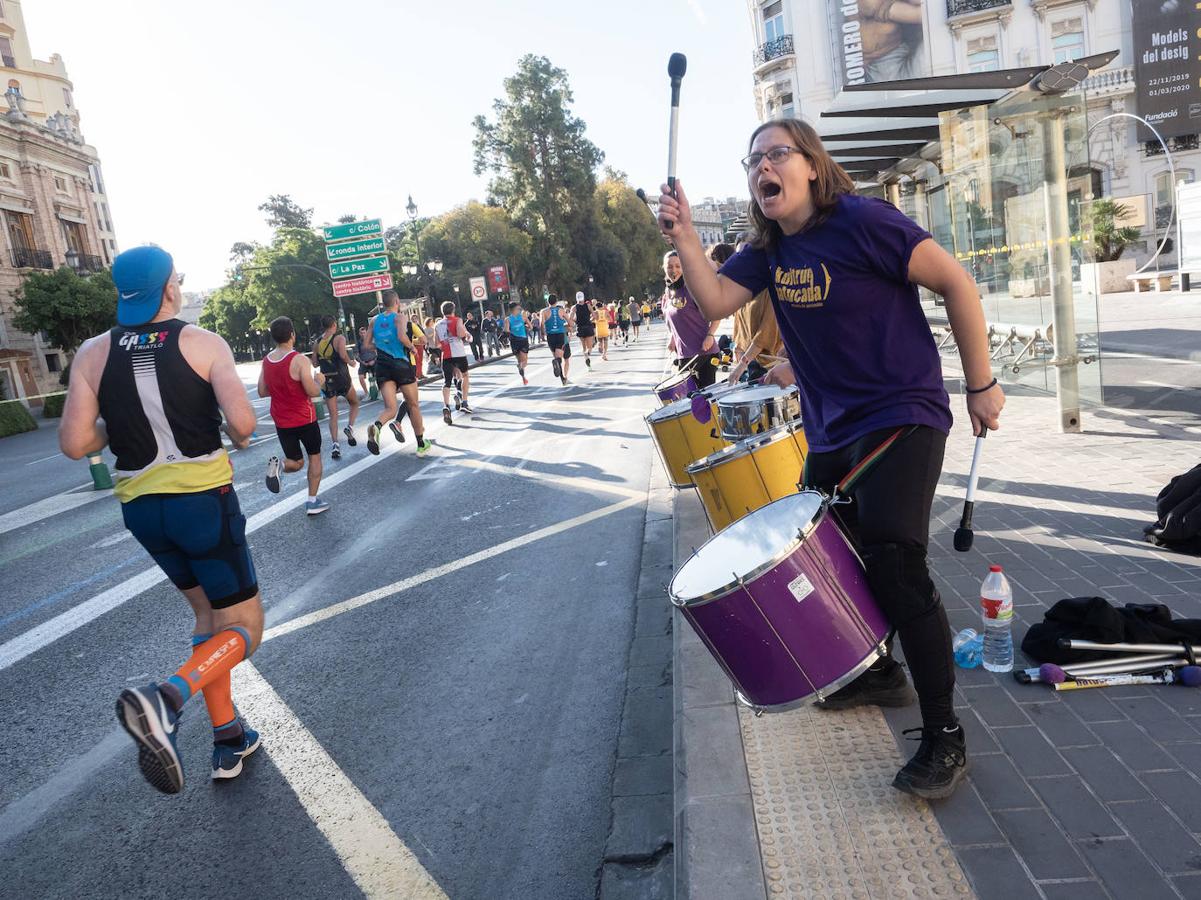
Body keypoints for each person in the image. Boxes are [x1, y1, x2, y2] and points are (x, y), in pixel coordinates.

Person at [657, 117, 1006, 801]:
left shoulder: (863, 222)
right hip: (831, 429)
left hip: (901, 414)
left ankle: (945, 736)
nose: (763, 167)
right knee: (825, 556)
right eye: (752, 159)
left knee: (895, 563)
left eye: (776, 154)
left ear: (811, 165)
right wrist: (685, 238)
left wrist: (981, 381)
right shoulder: (770, 250)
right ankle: (878, 671)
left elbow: (956, 284)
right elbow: (717, 300)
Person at [59, 245, 262, 792]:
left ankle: (229, 738)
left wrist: (115, 427)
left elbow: (77, 442)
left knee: (207, 618)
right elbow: (242, 426)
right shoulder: (204, 343)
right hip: (202, 502)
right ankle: (166, 698)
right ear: (170, 289)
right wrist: (229, 431)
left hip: (142, 512)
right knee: (244, 628)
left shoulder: (92, 353)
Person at [258, 317, 329, 514]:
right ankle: (312, 502)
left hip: (281, 420)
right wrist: (320, 381)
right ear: (292, 335)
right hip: (304, 418)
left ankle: (280, 465)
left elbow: (262, 391)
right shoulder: (299, 360)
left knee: (296, 462)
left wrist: (281, 387)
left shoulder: (267, 361)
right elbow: (312, 391)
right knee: (314, 457)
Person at [363, 290, 432, 456]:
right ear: (397, 301)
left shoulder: (374, 320)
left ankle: (377, 426)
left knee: (391, 408)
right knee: (413, 404)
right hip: (401, 364)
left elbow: (366, 344)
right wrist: (412, 347)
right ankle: (421, 444)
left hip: (382, 366)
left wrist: (381, 345)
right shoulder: (399, 317)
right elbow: (402, 336)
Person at [661, 250, 721, 389]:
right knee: (690, 403)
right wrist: (672, 337)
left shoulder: (693, 288)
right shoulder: (667, 291)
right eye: (669, 266)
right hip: (684, 356)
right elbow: (673, 319)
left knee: (705, 401)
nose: (673, 270)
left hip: (705, 353)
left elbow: (716, 313)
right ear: (664, 268)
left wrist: (710, 335)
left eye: (678, 266)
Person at [310, 315, 359, 460]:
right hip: (342, 377)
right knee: (355, 403)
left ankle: (335, 445)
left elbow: (314, 364)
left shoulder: (317, 343)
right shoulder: (339, 338)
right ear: (334, 325)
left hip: (326, 380)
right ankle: (349, 427)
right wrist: (351, 362)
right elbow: (343, 355)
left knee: (333, 415)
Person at [435, 301, 472, 423]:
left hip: (446, 355)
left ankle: (446, 406)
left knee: (447, 382)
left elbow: (437, 344)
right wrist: (466, 334)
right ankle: (464, 402)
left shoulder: (438, 324)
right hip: (459, 353)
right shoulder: (457, 320)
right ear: (453, 310)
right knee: (465, 375)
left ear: (442, 311)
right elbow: (461, 333)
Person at [541, 293, 571, 386]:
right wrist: (568, 325)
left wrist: (543, 334)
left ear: (547, 301)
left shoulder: (544, 311)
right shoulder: (561, 310)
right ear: (556, 301)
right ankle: (557, 364)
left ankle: (562, 378)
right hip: (560, 335)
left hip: (550, 336)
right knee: (559, 358)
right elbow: (570, 322)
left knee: (556, 357)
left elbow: (541, 324)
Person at [503, 300, 532, 385]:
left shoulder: (507, 319)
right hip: (522, 340)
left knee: (520, 361)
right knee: (524, 362)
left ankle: (523, 378)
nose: (519, 309)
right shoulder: (522, 317)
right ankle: (521, 369)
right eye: (518, 308)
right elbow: (530, 326)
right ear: (515, 309)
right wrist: (526, 327)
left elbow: (506, 331)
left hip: (514, 341)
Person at [571, 291, 596, 369]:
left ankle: (586, 357)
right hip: (588, 326)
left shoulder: (574, 307)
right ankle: (588, 354)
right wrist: (590, 320)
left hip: (580, 328)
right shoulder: (588, 306)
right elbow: (594, 315)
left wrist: (575, 321)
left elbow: (570, 318)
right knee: (590, 346)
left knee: (583, 346)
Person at [356, 325, 377, 396]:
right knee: (360, 376)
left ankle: (380, 391)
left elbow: (378, 352)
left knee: (379, 374)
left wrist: (374, 360)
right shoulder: (358, 343)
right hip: (364, 363)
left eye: (364, 333)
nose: (363, 334)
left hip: (373, 361)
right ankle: (366, 393)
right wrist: (362, 362)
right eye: (361, 333)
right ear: (359, 334)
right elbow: (356, 355)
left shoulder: (372, 341)